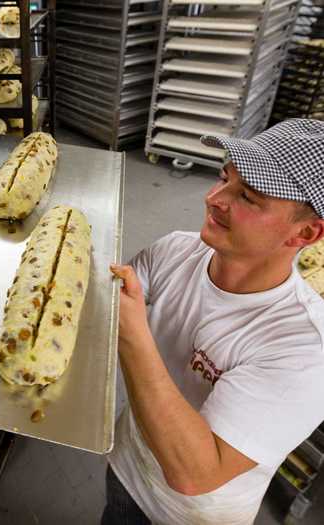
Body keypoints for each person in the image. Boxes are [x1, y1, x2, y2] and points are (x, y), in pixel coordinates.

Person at [104, 119, 324, 524]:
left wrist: (132, 334)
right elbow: (100, 312)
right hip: (127, 467)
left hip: (186, 515)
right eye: (224, 178)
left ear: (305, 233)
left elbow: (195, 474)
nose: (214, 198)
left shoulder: (305, 350)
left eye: (249, 197)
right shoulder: (174, 251)